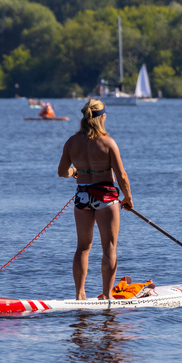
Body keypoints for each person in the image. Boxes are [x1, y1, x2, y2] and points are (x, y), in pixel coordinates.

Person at [57, 99, 133, 301]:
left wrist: (76, 171)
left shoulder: (72, 142)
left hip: (82, 197)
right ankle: (107, 296)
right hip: (106, 198)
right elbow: (122, 175)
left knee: (82, 247)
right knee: (109, 247)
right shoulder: (108, 143)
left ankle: (80, 295)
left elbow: (62, 172)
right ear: (102, 117)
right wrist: (128, 199)